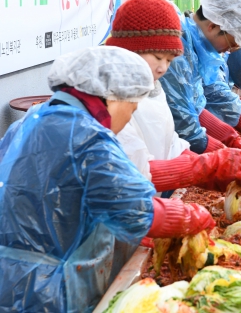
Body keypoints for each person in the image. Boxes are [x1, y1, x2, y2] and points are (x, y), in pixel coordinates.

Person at [0, 46, 215, 312]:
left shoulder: (33, 119)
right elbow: (133, 209)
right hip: (45, 290)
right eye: (132, 106)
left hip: (9, 275)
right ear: (114, 97)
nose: (129, 118)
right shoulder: (88, 136)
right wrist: (191, 216)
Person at [106, 0, 241, 198]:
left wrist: (214, 168)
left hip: (153, 195)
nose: (164, 68)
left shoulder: (151, 83)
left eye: (170, 60)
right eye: (159, 58)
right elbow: (127, 174)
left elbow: (170, 137)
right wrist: (204, 166)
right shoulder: (108, 98)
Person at [159, 0, 241, 139]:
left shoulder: (197, 46)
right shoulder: (177, 50)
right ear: (214, 26)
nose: (232, 50)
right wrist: (222, 145)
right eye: (233, 43)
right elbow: (180, 117)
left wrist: (235, 130)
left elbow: (201, 99)